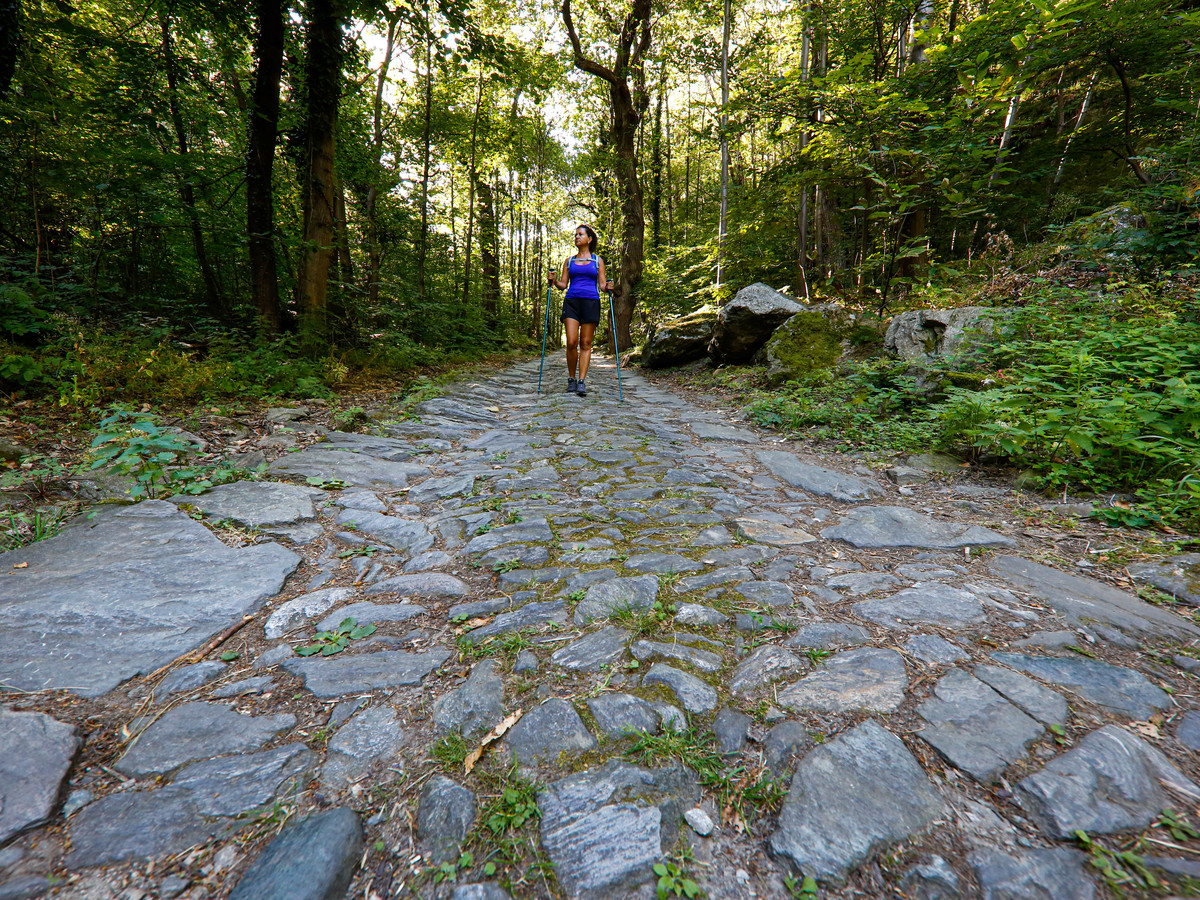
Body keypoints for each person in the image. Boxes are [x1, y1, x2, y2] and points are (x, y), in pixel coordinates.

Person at [548, 224, 613, 397]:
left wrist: (609, 287)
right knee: (571, 342)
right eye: (575, 234)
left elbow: (602, 285)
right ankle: (571, 379)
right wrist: (554, 281)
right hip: (572, 302)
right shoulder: (569, 261)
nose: (577, 237)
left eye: (580, 234)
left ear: (589, 239)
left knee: (585, 343)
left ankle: (581, 381)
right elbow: (563, 285)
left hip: (591, 302)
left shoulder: (597, 261)